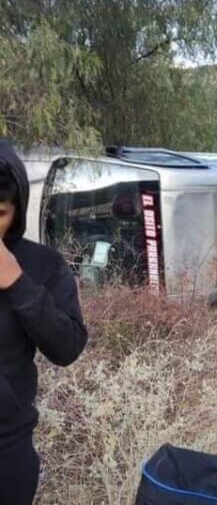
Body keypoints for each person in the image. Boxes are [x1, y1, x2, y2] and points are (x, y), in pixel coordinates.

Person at [0, 139, 88, 504]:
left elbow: (67, 347)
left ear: (16, 210)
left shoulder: (43, 265)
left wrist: (17, 283)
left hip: (5, 451)